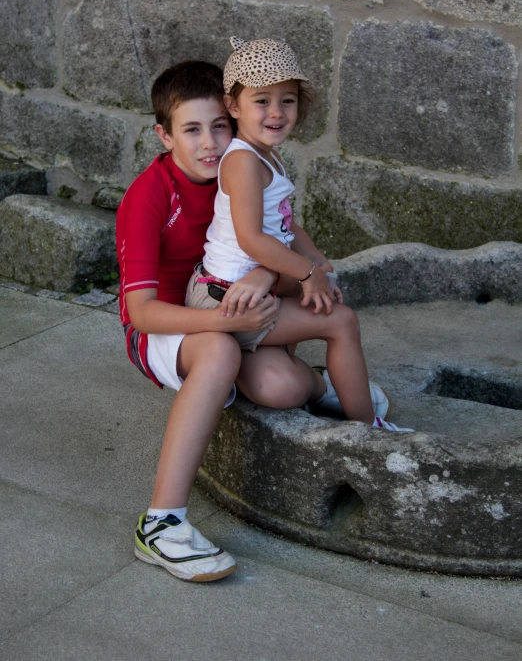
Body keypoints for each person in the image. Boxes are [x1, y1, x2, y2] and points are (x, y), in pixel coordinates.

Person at [116, 60, 348, 584]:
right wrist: (221, 320)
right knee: (220, 352)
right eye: (191, 130)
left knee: (282, 386)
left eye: (219, 126)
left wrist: (267, 273)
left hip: (230, 312)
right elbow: (140, 312)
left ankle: (326, 384)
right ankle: (162, 524)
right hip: (168, 326)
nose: (210, 144)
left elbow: (280, 233)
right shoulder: (148, 198)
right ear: (164, 135)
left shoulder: (240, 168)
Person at [186, 37, 414, 435]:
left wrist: (317, 260)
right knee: (341, 322)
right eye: (262, 101)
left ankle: (301, 373)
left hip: (242, 288)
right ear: (233, 106)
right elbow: (253, 239)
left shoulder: (264, 154)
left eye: (287, 100)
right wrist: (308, 273)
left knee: (320, 287)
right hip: (225, 298)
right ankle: (365, 430)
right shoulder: (242, 162)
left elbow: (285, 223)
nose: (276, 112)